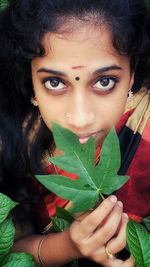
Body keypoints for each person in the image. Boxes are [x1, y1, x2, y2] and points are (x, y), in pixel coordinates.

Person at [0, 0, 150, 266]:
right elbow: (10, 247)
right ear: (31, 78)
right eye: (55, 82)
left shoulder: (144, 124)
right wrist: (69, 245)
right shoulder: (15, 142)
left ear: (132, 72)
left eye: (105, 81)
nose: (80, 119)